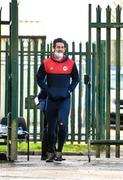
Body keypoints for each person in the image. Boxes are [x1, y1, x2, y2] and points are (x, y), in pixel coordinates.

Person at [37, 38, 79, 162]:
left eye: (62, 47)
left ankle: (59, 152)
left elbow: (76, 79)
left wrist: (69, 90)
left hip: (64, 100)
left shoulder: (71, 63)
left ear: (64, 49)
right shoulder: (46, 63)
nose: (59, 49)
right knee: (50, 128)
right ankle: (50, 152)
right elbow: (39, 78)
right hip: (51, 100)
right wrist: (47, 90)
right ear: (54, 48)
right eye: (57, 47)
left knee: (62, 124)